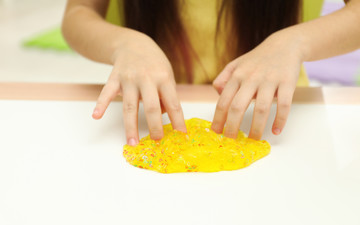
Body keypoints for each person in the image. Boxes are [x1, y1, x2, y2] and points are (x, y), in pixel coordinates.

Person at [62, 0, 358, 146]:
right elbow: (77, 14)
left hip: (279, 110)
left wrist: (296, 43)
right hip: (145, 110)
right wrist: (123, 44)